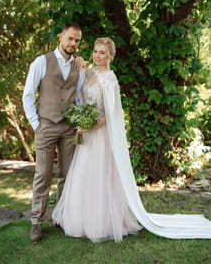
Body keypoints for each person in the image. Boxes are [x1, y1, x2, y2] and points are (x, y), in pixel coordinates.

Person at [52, 37, 211, 243]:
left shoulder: (110, 79)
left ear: (110, 55)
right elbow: (76, 83)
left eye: (102, 52)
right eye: (95, 51)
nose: (97, 55)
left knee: (98, 176)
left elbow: (110, 115)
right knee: (83, 175)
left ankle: (101, 222)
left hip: (99, 134)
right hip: (86, 134)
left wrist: (90, 125)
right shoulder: (89, 72)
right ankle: (79, 220)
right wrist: (80, 62)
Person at [22, 22, 85, 242]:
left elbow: (78, 97)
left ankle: (61, 217)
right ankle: (36, 222)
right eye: (70, 38)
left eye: (77, 40)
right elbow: (28, 95)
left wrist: (79, 121)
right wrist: (36, 124)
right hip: (46, 125)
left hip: (69, 127)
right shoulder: (42, 61)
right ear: (61, 37)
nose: (73, 43)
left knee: (67, 175)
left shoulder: (79, 66)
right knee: (43, 174)